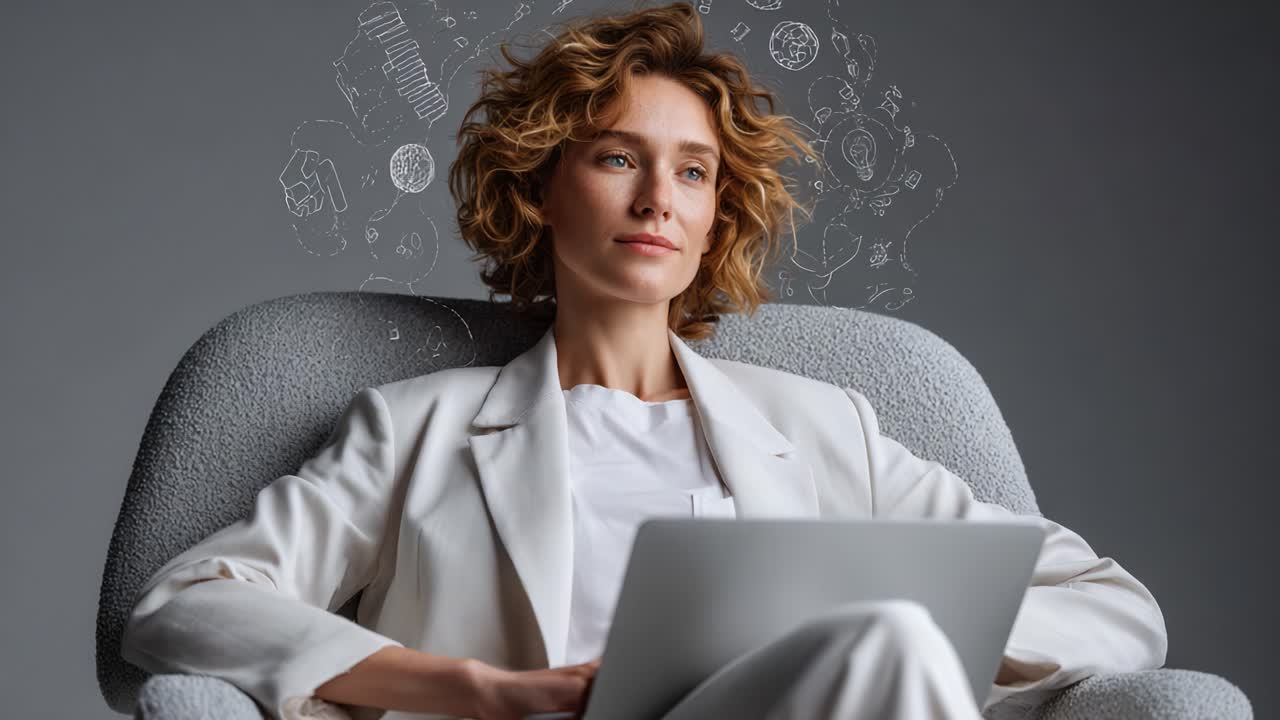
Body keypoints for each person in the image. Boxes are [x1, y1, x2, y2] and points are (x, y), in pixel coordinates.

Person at [119, 4, 1168, 720]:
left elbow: (1114, 613)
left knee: (886, 641)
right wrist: (480, 689)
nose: (657, 197)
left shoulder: (821, 428)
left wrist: (861, 639)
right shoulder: (416, 428)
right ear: (538, 190)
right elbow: (181, 608)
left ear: (717, 217)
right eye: (617, 157)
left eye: (694, 171)